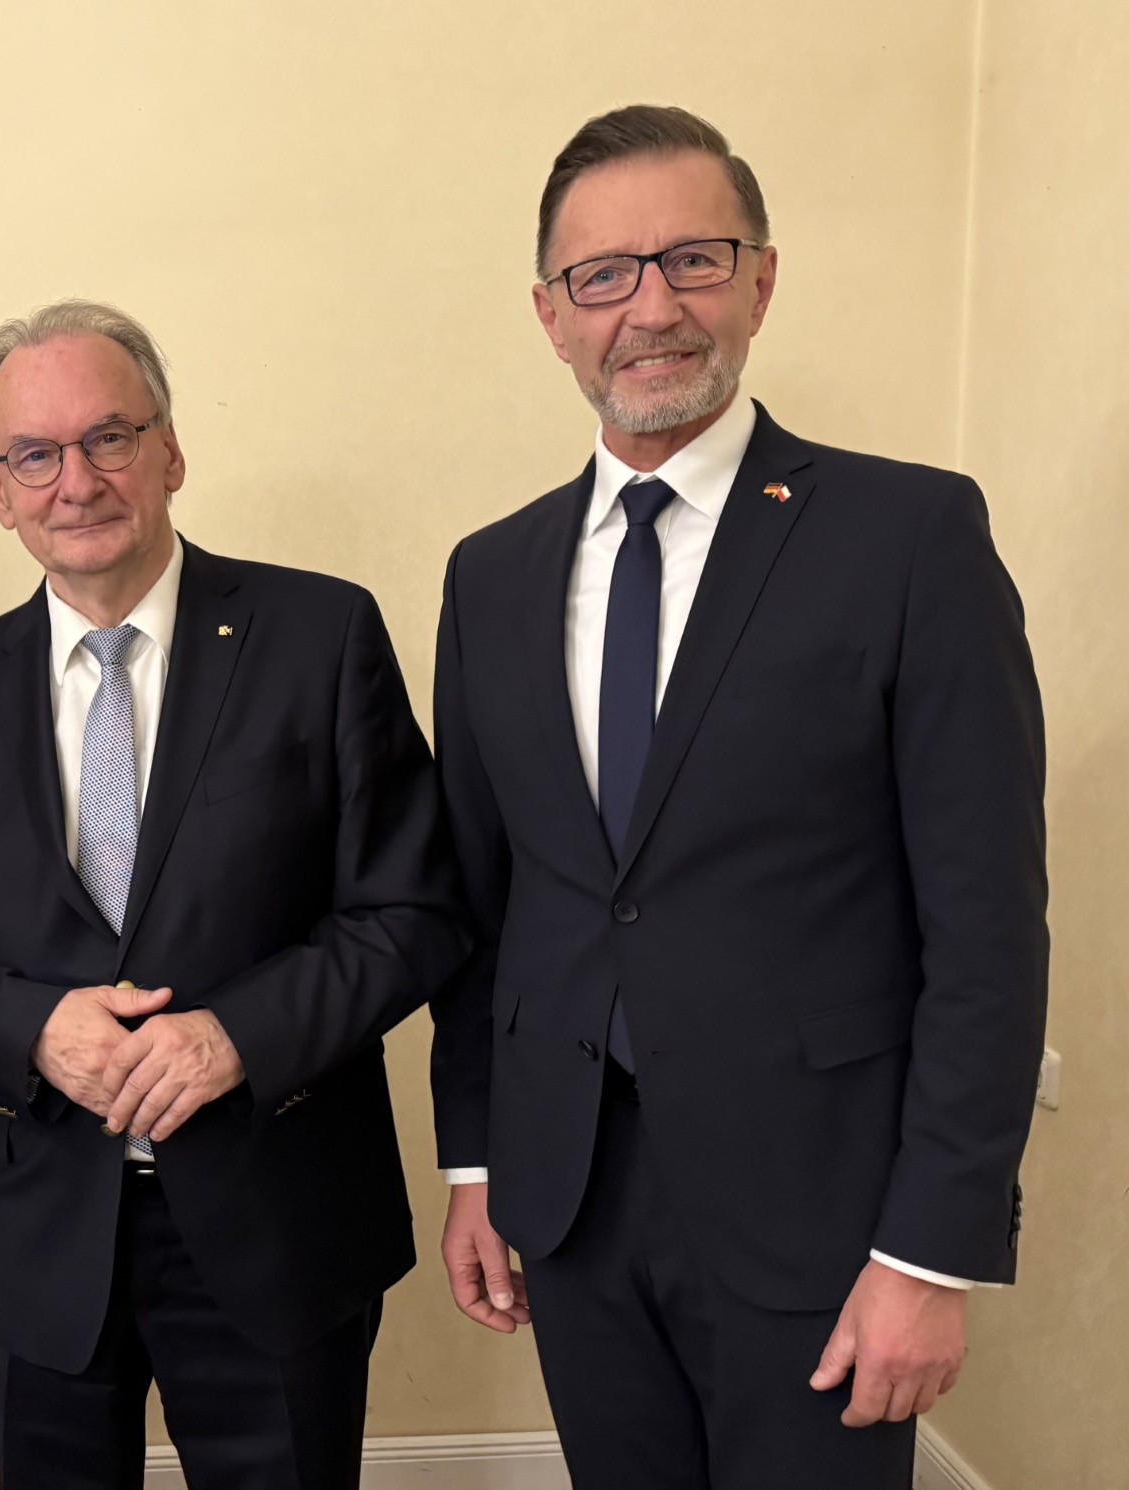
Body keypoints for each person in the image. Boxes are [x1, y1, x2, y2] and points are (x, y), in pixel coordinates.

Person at [430, 106, 1047, 1490]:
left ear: (760, 280)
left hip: (825, 1214)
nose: (650, 307)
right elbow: (482, 905)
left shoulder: (911, 538)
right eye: (604, 274)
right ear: (550, 313)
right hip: (570, 1200)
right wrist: (474, 1161)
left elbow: (989, 931)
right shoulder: (491, 575)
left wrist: (930, 1249)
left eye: (692, 259)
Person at [0, 300, 468, 1489]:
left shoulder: (320, 634)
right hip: (44, 1228)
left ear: (171, 449)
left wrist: (236, 1034)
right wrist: (35, 1027)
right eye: (34, 454)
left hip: (279, 1214)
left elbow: (415, 911)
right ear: (0, 490)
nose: (76, 480)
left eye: (109, 437)